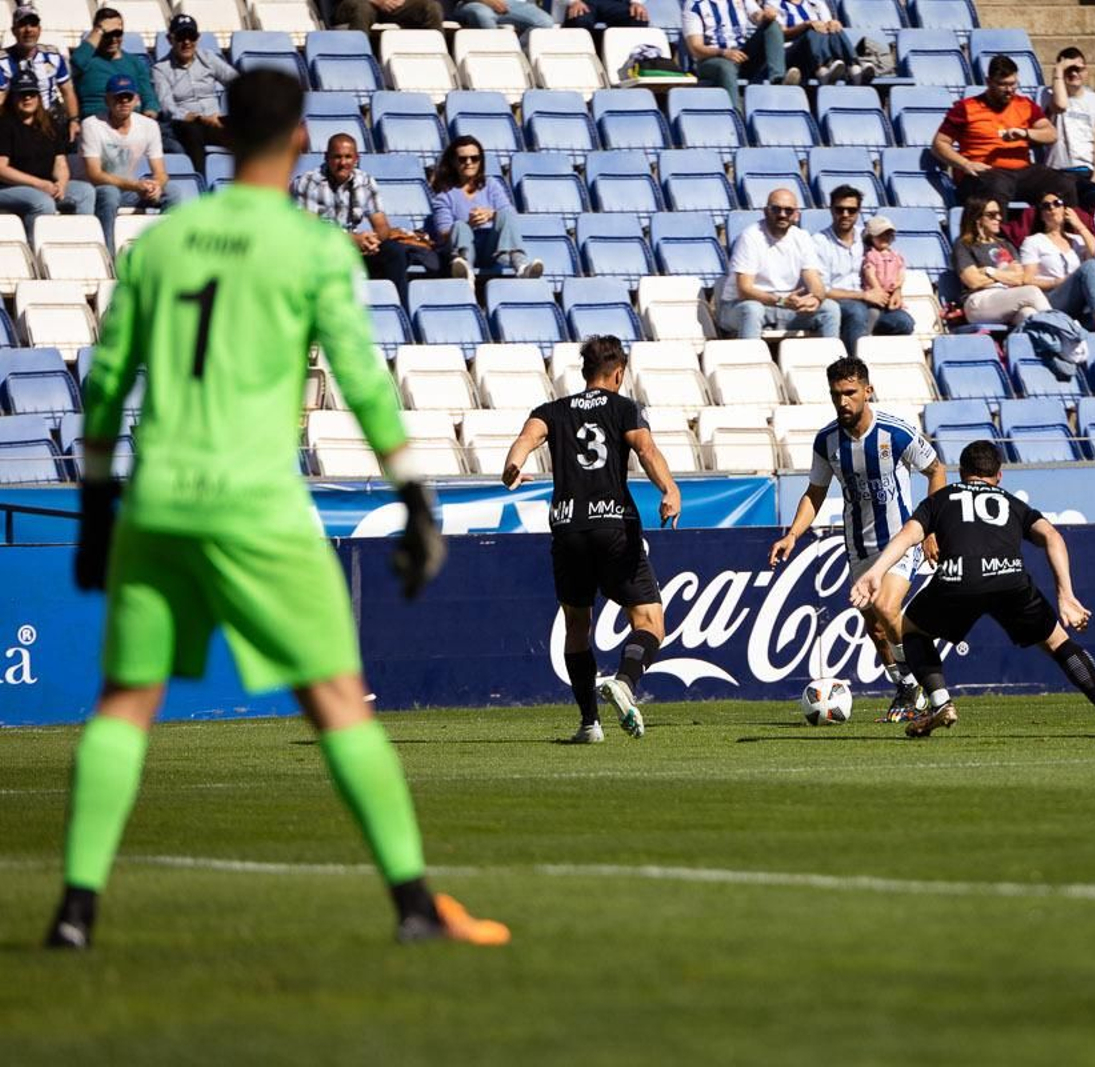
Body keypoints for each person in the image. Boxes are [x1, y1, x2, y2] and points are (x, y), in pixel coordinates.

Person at [45, 69, 506, 951]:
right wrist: (414, 493)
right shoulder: (313, 248)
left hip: (159, 499)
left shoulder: (161, 246)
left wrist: (99, 501)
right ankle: (414, 906)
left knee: (123, 705)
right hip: (257, 504)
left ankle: (76, 909)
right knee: (337, 701)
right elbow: (364, 382)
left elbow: (105, 383)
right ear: (297, 138)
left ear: (222, 139)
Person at [849, 439, 1095, 740]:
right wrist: (1066, 594)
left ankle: (941, 703)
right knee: (1058, 644)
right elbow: (1052, 536)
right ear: (999, 475)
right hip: (1009, 579)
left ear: (961, 473)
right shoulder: (1010, 501)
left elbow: (908, 535)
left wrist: (876, 571)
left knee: (911, 630)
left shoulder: (942, 498)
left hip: (957, 579)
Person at [501, 335, 682, 743]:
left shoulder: (553, 410)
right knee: (649, 620)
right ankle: (625, 682)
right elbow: (647, 451)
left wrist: (512, 465)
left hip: (567, 529)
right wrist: (669, 489)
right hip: (612, 524)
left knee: (576, 626)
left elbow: (527, 439)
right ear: (618, 373)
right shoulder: (623, 408)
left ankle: (589, 724)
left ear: (584, 373)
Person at [770, 356, 945, 722]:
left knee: (886, 605)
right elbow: (814, 493)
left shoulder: (895, 433)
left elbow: (936, 469)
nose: (843, 402)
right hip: (859, 546)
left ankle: (922, 684)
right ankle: (906, 687)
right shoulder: (827, 441)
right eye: (836, 394)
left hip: (899, 541)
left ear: (868, 391)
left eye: (850, 393)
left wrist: (930, 529)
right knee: (876, 629)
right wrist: (792, 535)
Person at [291, 133, 434, 306]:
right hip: (321, 251)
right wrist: (352, 240)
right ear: (326, 157)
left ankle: (399, 309)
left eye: (348, 157)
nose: (343, 163)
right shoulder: (309, 182)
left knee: (394, 251)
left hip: (357, 252)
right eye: (337, 157)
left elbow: (382, 226)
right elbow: (308, 230)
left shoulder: (365, 181)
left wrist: (371, 241)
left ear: (356, 159)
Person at [932, 56, 1074, 207]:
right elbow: (939, 144)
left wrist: (1026, 133)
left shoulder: (1024, 104)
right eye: (1003, 85)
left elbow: (1051, 134)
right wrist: (966, 164)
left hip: (1021, 172)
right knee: (997, 186)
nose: (1009, 90)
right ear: (988, 82)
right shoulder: (966, 108)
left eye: (1013, 84)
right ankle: (1000, 230)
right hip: (984, 173)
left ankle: (1066, 229)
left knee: (1063, 183)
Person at [79, 75, 195, 249]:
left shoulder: (149, 126)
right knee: (109, 194)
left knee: (172, 192)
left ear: (137, 100)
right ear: (107, 100)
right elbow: (94, 174)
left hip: (129, 190)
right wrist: (136, 186)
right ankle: (108, 254)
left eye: (128, 97)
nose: (124, 102)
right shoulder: (91, 125)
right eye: (118, 97)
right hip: (98, 190)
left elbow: (161, 172)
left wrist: (156, 185)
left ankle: (167, 249)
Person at [717, 186, 840, 339]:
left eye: (788, 210)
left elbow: (815, 281)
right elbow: (744, 290)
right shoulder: (750, 237)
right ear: (766, 211)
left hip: (785, 306)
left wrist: (816, 298)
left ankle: (830, 360)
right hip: (740, 306)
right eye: (776, 209)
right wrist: (781, 301)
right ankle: (749, 360)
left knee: (830, 309)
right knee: (752, 309)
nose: (782, 215)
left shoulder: (802, 237)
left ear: (796, 215)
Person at [810, 185, 914, 356]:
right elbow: (822, 289)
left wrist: (897, 290)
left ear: (858, 211)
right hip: (840, 303)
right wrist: (863, 296)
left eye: (851, 210)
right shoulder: (819, 242)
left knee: (903, 322)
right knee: (857, 311)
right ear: (831, 209)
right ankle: (855, 367)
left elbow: (891, 265)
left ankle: (881, 364)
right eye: (840, 209)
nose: (845, 214)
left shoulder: (868, 237)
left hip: (872, 302)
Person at [429, 134, 542, 286]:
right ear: (454, 162)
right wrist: (469, 224)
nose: (469, 163)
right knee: (460, 226)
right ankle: (465, 271)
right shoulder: (444, 196)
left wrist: (491, 214)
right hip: (464, 246)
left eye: (474, 158)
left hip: (490, 248)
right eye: (463, 159)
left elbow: (509, 213)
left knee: (505, 214)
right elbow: (444, 234)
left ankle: (521, 266)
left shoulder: (491, 185)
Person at [0, 68, 96, 239]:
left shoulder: (50, 125)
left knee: (85, 191)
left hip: (44, 184)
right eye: (22, 94)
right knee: (41, 202)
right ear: (13, 97)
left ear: (38, 96)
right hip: (8, 187)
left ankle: (82, 243)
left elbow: (60, 162)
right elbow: (2, 169)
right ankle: (36, 252)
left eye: (31, 93)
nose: (27, 98)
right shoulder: (4, 125)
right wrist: (38, 184)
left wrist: (61, 183)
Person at [1018, 191, 1095, 331]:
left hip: (1080, 301)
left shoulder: (1077, 240)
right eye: (1046, 206)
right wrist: (1056, 282)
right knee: (1090, 266)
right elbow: (1027, 280)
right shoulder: (1033, 241)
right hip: (1052, 298)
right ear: (1041, 214)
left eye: (1057, 204)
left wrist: (1080, 226)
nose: (1052, 208)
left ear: (1065, 209)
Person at [151, 14, 235, 173]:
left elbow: (237, 83)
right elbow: (168, 107)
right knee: (191, 130)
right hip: (188, 123)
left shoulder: (208, 58)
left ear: (198, 38)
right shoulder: (161, 69)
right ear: (170, 39)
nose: (187, 42)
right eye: (181, 37)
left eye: (191, 36)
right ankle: (200, 180)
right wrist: (199, 118)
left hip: (215, 120)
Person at [1044, 47, 1095, 210]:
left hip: (1087, 169)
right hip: (1060, 170)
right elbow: (1060, 104)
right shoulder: (1048, 95)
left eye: (1078, 69)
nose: (1073, 74)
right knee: (1092, 194)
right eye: (1069, 70)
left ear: (1086, 71)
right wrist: (1059, 69)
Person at [952, 196, 1050, 327]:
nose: (998, 218)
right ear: (977, 218)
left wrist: (988, 271)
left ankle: (1059, 343)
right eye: (992, 215)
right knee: (1032, 291)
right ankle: (1068, 332)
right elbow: (973, 281)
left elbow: (1020, 279)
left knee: (1029, 315)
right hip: (979, 301)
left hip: (1007, 297)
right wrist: (1005, 272)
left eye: (999, 214)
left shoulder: (1005, 244)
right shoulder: (964, 244)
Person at [683, 0, 795, 111]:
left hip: (741, 55)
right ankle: (737, 115)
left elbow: (757, 16)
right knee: (725, 67)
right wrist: (723, 53)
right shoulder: (694, 5)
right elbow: (696, 48)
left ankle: (778, 81)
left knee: (772, 25)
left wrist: (767, 16)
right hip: (712, 58)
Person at [0, 3, 81, 146]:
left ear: (39, 29)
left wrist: (74, 120)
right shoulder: (3, 61)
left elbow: (67, 91)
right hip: (16, 120)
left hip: (49, 119)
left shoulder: (53, 56)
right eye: (22, 25)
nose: (28, 30)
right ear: (14, 30)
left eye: (33, 25)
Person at [71, 8, 160, 123]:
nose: (113, 39)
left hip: (132, 122)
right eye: (108, 34)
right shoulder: (87, 60)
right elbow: (77, 61)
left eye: (117, 34)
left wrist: (150, 111)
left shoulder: (135, 63)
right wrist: (99, 30)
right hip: (97, 122)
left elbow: (149, 97)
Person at [775, 0, 870, 85]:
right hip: (792, 53)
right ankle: (823, 69)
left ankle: (854, 67)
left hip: (817, 50)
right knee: (812, 30)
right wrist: (806, 25)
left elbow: (827, 25)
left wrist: (833, 24)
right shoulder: (776, 3)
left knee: (835, 29)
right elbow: (781, 34)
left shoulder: (817, 3)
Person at [334, 0, 445, 35]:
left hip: (394, 6)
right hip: (358, 3)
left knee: (431, 7)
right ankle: (357, 58)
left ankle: (439, 59)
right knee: (363, 9)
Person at [452, 0, 554, 36]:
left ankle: (515, 52)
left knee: (545, 22)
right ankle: (494, 53)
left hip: (513, 4)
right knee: (484, 15)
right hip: (474, 2)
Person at [563, 0, 649, 36]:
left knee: (637, 18)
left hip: (617, 3)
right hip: (583, 3)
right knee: (578, 21)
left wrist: (637, 2)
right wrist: (573, 1)